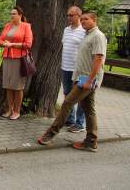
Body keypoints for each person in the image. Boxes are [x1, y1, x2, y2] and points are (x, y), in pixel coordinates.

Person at [38, 11, 107, 152]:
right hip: (81, 77)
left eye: (86, 19)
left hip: (87, 79)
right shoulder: (87, 35)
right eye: (81, 19)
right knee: (89, 109)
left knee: (68, 102)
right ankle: (91, 140)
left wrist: (89, 80)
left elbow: (98, 59)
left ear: (94, 20)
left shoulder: (98, 36)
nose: (83, 21)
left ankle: (50, 133)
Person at [0, 6, 33, 120]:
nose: (12, 16)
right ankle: (9, 110)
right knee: (8, 86)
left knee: (17, 87)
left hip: (19, 59)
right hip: (7, 58)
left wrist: (12, 45)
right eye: (11, 14)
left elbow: (28, 44)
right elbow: (0, 40)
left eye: (14, 14)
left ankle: (17, 111)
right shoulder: (7, 26)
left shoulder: (26, 26)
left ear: (20, 15)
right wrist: (5, 44)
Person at [61, 6, 86, 133]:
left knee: (80, 96)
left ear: (79, 16)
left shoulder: (84, 31)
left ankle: (80, 123)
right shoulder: (66, 30)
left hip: (79, 70)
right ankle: (70, 119)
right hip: (65, 67)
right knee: (67, 93)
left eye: (71, 15)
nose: (69, 17)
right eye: (68, 15)